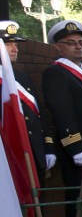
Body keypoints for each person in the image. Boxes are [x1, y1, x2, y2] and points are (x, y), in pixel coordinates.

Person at [42, 20, 82, 217]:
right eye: (71, 43)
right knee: (77, 198)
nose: (78, 46)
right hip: (77, 150)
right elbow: (62, 113)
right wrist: (75, 147)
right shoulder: (56, 73)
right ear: (58, 47)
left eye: (80, 42)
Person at [0, 21, 55, 185]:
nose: (15, 49)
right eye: (8, 44)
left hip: (33, 155)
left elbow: (39, 115)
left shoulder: (22, 77)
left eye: (15, 44)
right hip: (8, 158)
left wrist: (48, 148)